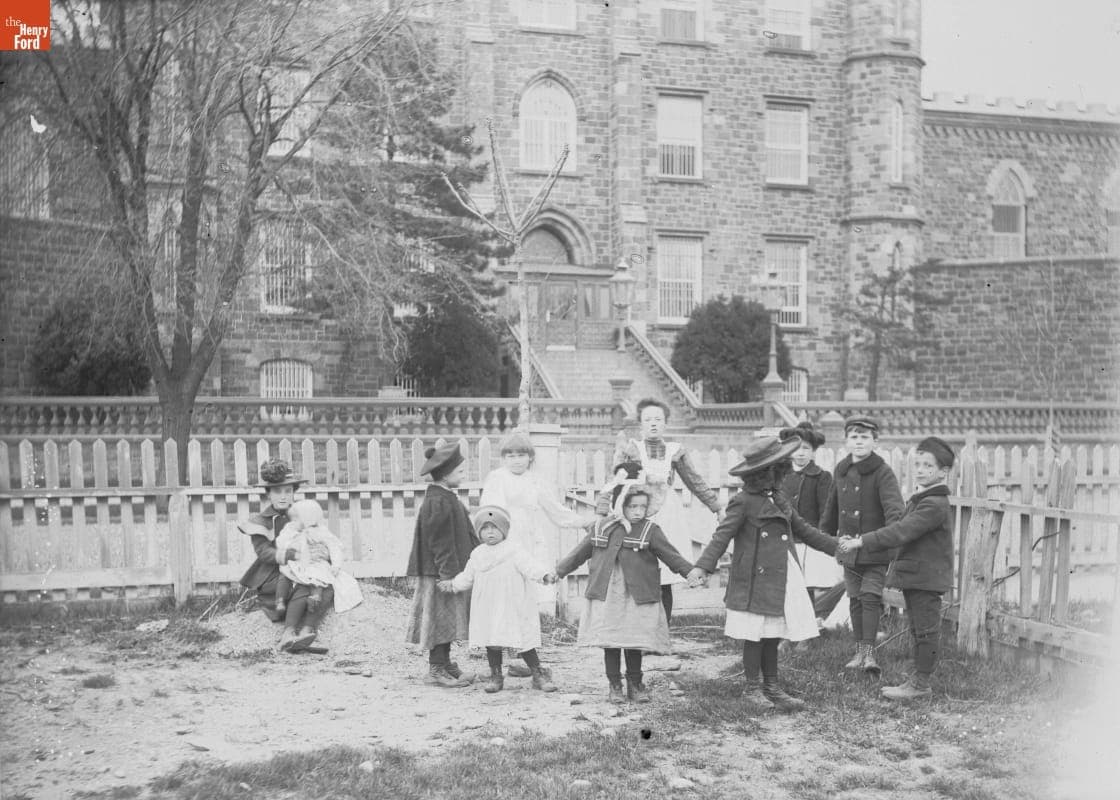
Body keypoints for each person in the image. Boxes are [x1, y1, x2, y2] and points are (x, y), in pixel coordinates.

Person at [687, 437, 839, 713]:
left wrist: (837, 548)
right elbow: (722, 536)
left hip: (781, 575)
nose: (779, 475)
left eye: (780, 469)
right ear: (762, 473)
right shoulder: (742, 502)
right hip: (753, 579)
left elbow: (804, 530)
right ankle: (752, 687)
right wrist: (702, 566)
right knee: (754, 634)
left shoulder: (779, 500)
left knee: (772, 633)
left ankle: (772, 686)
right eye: (775, 470)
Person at [837, 437, 956, 700]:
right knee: (917, 630)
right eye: (919, 464)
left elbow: (901, 531)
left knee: (925, 631)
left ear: (944, 472)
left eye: (929, 465)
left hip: (926, 579)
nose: (921, 469)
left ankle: (921, 684)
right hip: (916, 577)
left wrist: (862, 541)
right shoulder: (922, 498)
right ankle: (917, 679)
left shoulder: (934, 504)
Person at [556, 483, 693, 704]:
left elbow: (671, 555)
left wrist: (690, 572)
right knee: (611, 640)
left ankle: (635, 683)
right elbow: (580, 553)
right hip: (608, 594)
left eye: (642, 506)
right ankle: (614, 684)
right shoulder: (601, 527)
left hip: (636, 595)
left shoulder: (651, 530)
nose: (638, 512)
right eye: (632, 507)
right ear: (619, 506)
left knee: (633, 638)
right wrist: (559, 571)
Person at [480, 432, 597, 677]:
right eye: (510, 455)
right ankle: (496, 668)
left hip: (530, 545)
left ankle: (527, 662)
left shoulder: (535, 480)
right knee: (501, 604)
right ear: (503, 458)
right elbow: (491, 513)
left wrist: (582, 522)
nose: (516, 460)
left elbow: (555, 510)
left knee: (524, 605)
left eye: (521, 455)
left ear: (530, 457)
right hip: (504, 543)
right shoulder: (497, 479)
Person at [598, 398, 724, 624]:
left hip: (668, 514)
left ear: (665, 423)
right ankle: (639, 628)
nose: (653, 424)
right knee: (639, 570)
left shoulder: (675, 451)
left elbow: (694, 481)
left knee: (665, 572)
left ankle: (662, 632)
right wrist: (602, 509)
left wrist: (716, 507)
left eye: (658, 419)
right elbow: (614, 481)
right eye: (648, 420)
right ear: (641, 424)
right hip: (638, 513)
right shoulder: (631, 449)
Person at [438, 505, 558, 694]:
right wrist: (453, 584)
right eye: (485, 529)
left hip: (513, 605)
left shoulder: (514, 550)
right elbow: (467, 576)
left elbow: (529, 565)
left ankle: (538, 673)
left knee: (523, 639)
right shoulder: (478, 554)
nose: (490, 532)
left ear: (504, 530)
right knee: (492, 638)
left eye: (494, 528)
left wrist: (543, 575)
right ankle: (496, 676)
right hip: (488, 606)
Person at [820, 415, 905, 674]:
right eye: (854, 437)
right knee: (855, 599)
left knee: (870, 597)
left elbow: (895, 513)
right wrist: (827, 536)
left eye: (864, 437)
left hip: (875, 550)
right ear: (846, 441)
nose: (859, 442)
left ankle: (869, 655)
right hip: (848, 549)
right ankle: (858, 651)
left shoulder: (882, 472)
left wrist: (888, 536)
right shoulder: (842, 470)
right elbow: (831, 506)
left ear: (875, 441)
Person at [238, 458, 335, 653]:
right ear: (268, 494)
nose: (283, 497)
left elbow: (319, 537)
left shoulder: (301, 514)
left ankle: (307, 633)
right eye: (277, 491)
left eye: (288, 491)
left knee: (326, 584)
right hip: (272, 574)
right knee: (304, 583)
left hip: (302, 566)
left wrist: (322, 554)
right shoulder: (260, 521)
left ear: (293, 493)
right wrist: (292, 555)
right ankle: (288, 633)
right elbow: (264, 552)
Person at [405, 442, 479, 688]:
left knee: (447, 619)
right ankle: (435, 668)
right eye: (460, 472)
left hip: (448, 569)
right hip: (440, 572)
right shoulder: (438, 501)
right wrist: (448, 575)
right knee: (440, 619)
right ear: (446, 475)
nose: (464, 475)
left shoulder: (445, 497)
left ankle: (445, 663)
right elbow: (440, 542)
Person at [778, 421, 842, 623]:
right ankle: (789, 625)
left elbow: (827, 511)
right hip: (786, 539)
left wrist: (820, 535)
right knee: (788, 584)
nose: (801, 453)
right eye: (796, 448)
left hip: (810, 540)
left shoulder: (822, 477)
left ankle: (809, 626)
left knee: (807, 585)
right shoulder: (782, 477)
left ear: (813, 452)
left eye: (806, 448)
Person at [274, 499, 363, 620]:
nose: (293, 522)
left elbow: (334, 547)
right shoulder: (290, 529)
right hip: (296, 563)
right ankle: (280, 600)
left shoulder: (321, 531)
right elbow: (281, 542)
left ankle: (315, 597)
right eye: (292, 519)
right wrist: (293, 539)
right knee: (284, 574)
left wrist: (336, 565)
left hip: (315, 564)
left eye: (297, 519)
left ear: (308, 519)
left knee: (320, 578)